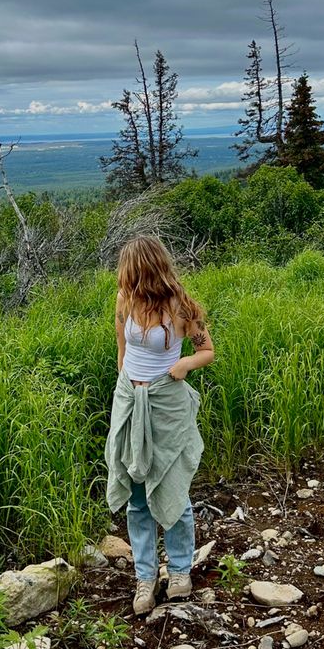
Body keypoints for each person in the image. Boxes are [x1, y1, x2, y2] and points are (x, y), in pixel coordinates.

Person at [105, 235, 214, 615]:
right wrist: (125, 397)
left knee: (172, 488)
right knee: (137, 495)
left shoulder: (180, 306)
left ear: (146, 270)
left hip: (166, 402)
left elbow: (207, 351)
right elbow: (122, 350)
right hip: (131, 403)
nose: (124, 279)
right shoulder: (124, 300)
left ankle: (181, 571)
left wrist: (183, 365)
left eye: (130, 272)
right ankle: (145, 577)